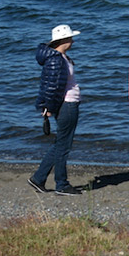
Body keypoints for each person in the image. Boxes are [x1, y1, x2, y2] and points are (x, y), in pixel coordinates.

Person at [28, 24, 83, 196]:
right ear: (64, 40)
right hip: (66, 105)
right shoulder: (56, 59)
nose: (73, 41)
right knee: (63, 145)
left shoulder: (61, 57)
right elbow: (51, 86)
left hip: (68, 104)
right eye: (71, 38)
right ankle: (61, 184)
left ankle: (38, 178)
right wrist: (49, 107)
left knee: (60, 143)